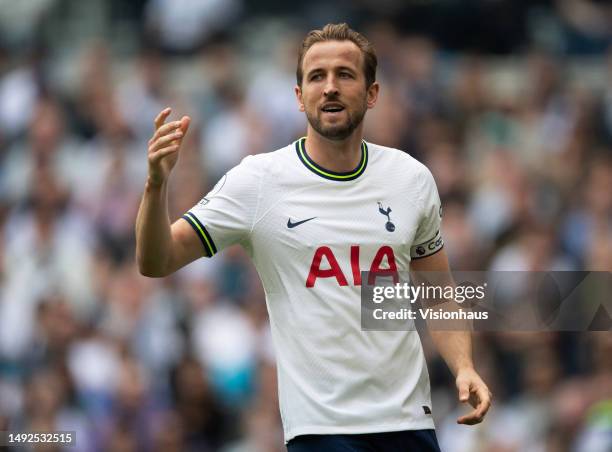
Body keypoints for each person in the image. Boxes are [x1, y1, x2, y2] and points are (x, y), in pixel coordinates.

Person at [135, 23, 491, 452]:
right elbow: (157, 261)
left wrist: (464, 366)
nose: (330, 88)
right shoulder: (259, 182)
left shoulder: (410, 179)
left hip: (408, 421)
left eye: (345, 74)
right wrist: (156, 187)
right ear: (299, 96)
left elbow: (438, 292)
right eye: (317, 76)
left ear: (372, 93)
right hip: (320, 429)